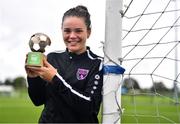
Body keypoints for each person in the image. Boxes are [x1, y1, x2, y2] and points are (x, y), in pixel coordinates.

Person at [25, 5, 103, 123]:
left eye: (78, 31)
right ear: (61, 30)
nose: (72, 36)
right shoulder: (52, 58)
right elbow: (38, 100)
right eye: (67, 31)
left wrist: (55, 79)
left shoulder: (97, 63)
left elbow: (89, 106)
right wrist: (33, 78)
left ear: (88, 32)